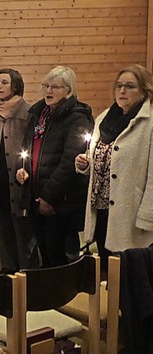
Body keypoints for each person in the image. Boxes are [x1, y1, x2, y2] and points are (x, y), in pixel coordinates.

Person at [75, 64, 153, 270]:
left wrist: (147, 217)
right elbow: (100, 157)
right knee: (106, 269)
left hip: (131, 212)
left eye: (129, 86)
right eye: (119, 86)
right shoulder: (104, 118)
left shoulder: (149, 122)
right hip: (101, 208)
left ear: (144, 90)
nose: (122, 91)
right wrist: (84, 164)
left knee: (130, 272)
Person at [16, 66, 93, 267]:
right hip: (35, 192)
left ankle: (64, 296)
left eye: (55, 87)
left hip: (60, 200)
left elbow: (70, 161)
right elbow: (26, 147)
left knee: (58, 255)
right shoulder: (38, 114)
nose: (49, 91)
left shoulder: (77, 118)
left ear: (68, 91)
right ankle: (48, 292)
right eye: (46, 86)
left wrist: (49, 197)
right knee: (44, 252)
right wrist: (21, 167)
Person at [0, 69, 39, 273]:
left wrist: (27, 168)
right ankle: (7, 267)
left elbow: (33, 144)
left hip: (19, 176)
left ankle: (26, 270)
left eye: (4, 82)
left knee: (22, 227)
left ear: (15, 86)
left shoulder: (29, 112)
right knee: (3, 224)